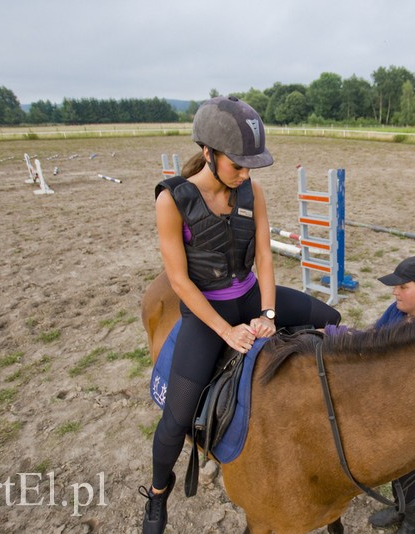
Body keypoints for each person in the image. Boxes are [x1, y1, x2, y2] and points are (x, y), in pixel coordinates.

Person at [139, 96, 341, 534]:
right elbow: (179, 282)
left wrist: (267, 312)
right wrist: (225, 331)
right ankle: (157, 494)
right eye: (238, 165)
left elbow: (265, 256)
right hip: (205, 312)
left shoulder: (252, 191)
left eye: (251, 166)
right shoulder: (172, 200)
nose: (246, 174)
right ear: (209, 153)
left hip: (251, 295)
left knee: (332, 317)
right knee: (175, 420)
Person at [328, 255, 415, 534]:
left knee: (408, 478)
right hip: (389, 409)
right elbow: (371, 340)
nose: (395, 292)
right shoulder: (397, 311)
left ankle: (412, 520)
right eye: (394, 286)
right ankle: (399, 508)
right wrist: (332, 334)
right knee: (394, 472)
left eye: (402, 287)